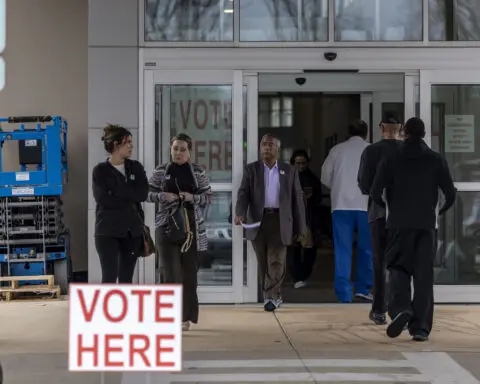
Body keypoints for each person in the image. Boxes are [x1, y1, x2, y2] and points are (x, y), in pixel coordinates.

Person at [371, 117, 456, 342]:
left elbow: (374, 191)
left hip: (398, 224)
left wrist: (389, 209)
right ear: (424, 133)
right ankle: (421, 328)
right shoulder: (435, 159)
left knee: (397, 267)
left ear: (404, 133)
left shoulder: (392, 158)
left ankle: (400, 309)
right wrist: (437, 212)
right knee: (423, 276)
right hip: (426, 225)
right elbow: (451, 193)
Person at [147, 133, 212, 331]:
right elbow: (147, 193)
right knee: (169, 272)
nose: (178, 153)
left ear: (189, 151)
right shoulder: (161, 171)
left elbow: (208, 197)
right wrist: (162, 196)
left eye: (183, 149)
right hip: (166, 226)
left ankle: (185, 317)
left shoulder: (198, 171)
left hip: (191, 227)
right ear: (170, 149)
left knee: (188, 273)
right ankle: (169, 315)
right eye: (175, 149)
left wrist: (192, 197)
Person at [235, 134, 306, 312]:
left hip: (280, 220)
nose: (266, 147)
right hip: (258, 220)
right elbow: (243, 193)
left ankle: (270, 297)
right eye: (264, 144)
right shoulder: (251, 170)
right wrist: (240, 213)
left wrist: (301, 227)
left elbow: (297, 200)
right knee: (263, 262)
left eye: (270, 145)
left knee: (276, 260)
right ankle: (275, 294)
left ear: (277, 150)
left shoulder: (289, 171)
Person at [357, 112, 403, 325]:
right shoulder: (406, 151)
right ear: (400, 128)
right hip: (404, 215)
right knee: (400, 262)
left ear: (380, 127)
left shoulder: (371, 151)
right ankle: (399, 308)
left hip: (378, 213)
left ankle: (378, 310)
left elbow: (364, 184)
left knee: (379, 260)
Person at [321, 120, 373, 303]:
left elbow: (325, 178)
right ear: (366, 133)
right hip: (366, 205)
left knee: (343, 250)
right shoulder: (371, 149)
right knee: (366, 249)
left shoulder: (336, 150)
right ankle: (363, 288)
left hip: (341, 206)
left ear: (348, 133)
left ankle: (344, 293)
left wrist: (338, 185)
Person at [92, 124, 149, 283]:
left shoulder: (135, 167)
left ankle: (126, 308)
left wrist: (116, 190)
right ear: (116, 145)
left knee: (126, 278)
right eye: (128, 142)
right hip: (107, 232)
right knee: (109, 277)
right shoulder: (100, 170)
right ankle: (108, 308)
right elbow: (103, 199)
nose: (131, 146)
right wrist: (129, 194)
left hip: (132, 232)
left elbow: (142, 194)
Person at [287, 149, 322, 288]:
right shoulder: (287, 177)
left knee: (309, 250)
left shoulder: (312, 179)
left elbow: (318, 198)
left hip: (308, 217)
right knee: (293, 249)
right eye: (298, 163)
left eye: (303, 163)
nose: (300, 166)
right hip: (292, 218)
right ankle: (296, 276)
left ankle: (304, 274)